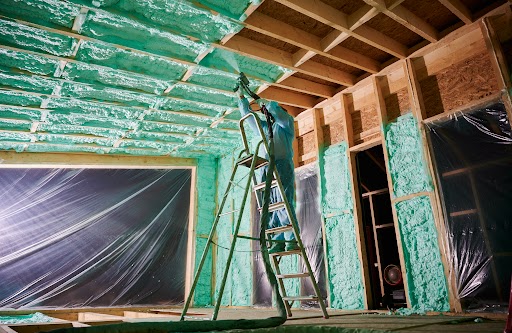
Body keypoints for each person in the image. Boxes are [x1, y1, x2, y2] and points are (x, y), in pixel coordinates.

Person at [238, 92, 299, 253]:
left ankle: (291, 239)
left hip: (282, 165)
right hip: (266, 167)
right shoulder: (265, 128)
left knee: (284, 202)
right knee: (270, 205)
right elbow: (250, 119)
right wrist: (242, 100)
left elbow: (280, 115)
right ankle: (276, 240)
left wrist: (265, 103)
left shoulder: (286, 125)